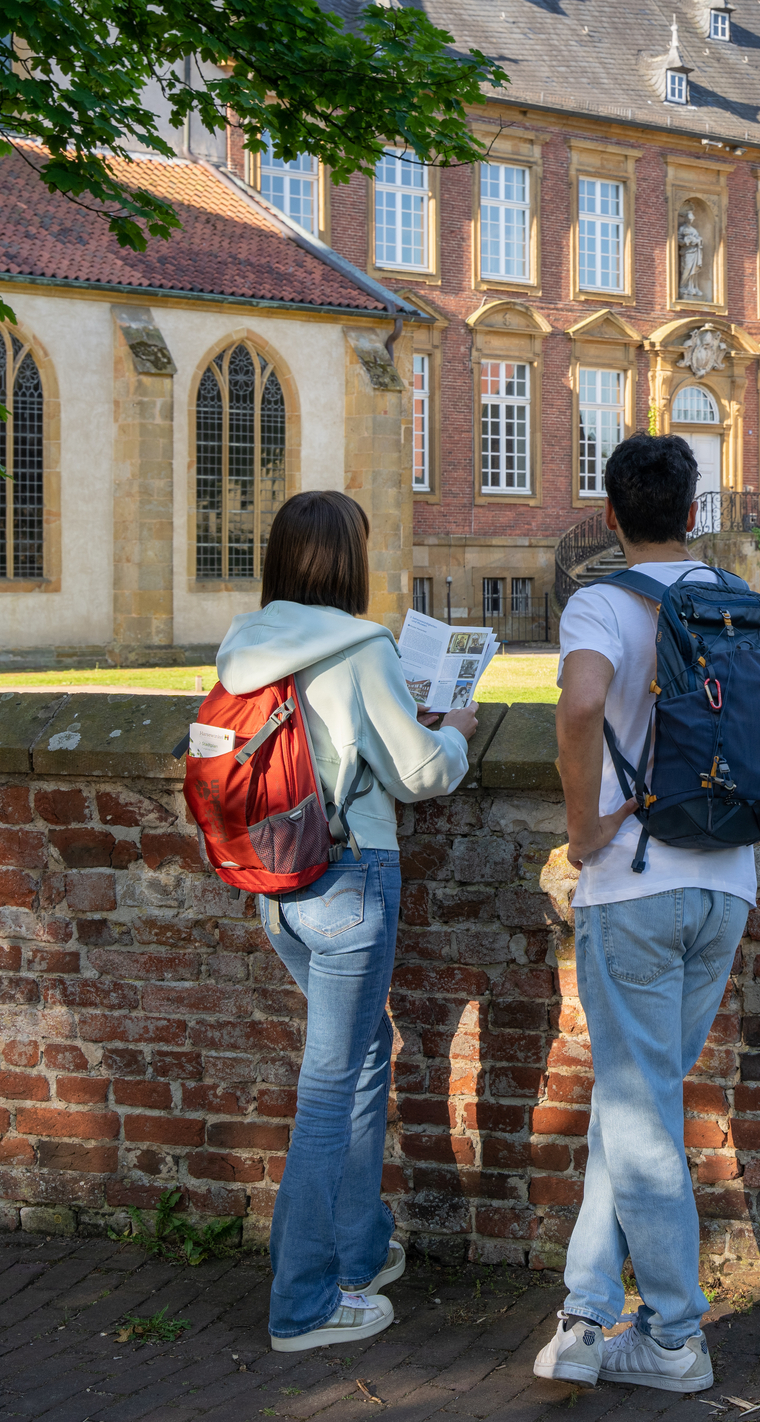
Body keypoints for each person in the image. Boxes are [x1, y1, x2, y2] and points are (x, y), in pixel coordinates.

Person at [214, 490, 477, 1353]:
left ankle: (359, 1252)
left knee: (364, 1058)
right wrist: (459, 732)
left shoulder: (246, 646)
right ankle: (304, 1303)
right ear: (348, 563)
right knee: (330, 1087)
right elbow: (416, 773)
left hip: (278, 885)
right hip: (350, 878)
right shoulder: (361, 646)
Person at [532, 434, 752, 1394]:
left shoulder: (602, 600)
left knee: (642, 1115)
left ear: (611, 515)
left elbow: (581, 708)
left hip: (636, 880)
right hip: (726, 885)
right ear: (695, 512)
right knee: (635, 1105)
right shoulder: (738, 601)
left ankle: (672, 1338)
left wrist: (583, 831)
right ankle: (585, 1313)